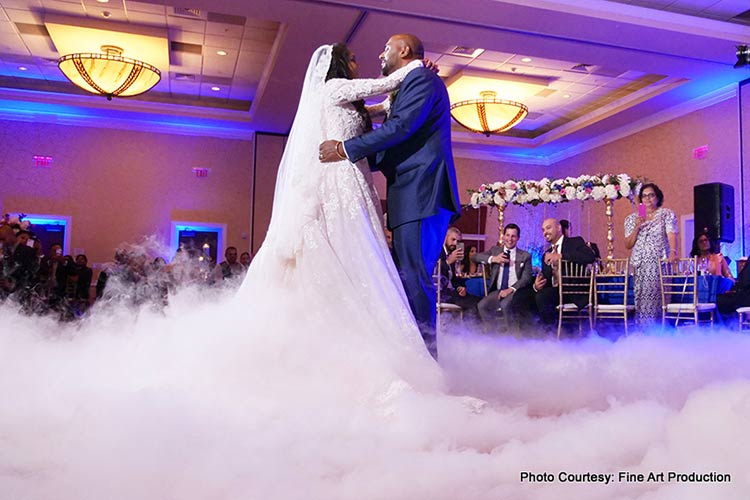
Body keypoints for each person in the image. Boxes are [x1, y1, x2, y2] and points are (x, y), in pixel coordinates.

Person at [236, 43, 441, 388]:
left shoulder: (347, 98)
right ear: (339, 65)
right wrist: (417, 68)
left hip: (355, 175)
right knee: (352, 246)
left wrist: (404, 88)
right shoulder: (333, 88)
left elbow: (377, 107)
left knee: (364, 249)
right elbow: (381, 86)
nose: (363, 61)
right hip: (339, 176)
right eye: (354, 58)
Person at [319, 34, 460, 358]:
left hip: (422, 190)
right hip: (410, 192)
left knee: (414, 276)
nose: (380, 54)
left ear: (404, 51)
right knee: (405, 277)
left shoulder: (421, 79)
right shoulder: (411, 82)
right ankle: (412, 354)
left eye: (386, 48)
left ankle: (427, 359)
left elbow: (400, 129)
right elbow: (397, 124)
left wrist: (346, 149)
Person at [624, 183, 678, 326]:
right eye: (644, 196)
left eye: (651, 195)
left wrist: (673, 251)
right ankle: (642, 332)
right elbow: (628, 244)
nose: (647, 199)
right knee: (640, 300)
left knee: (655, 300)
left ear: (657, 197)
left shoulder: (666, 214)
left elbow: (671, 234)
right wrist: (637, 226)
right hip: (639, 265)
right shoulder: (632, 219)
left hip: (658, 263)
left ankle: (654, 332)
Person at [533, 218, 596, 327]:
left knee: (542, 297)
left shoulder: (575, 242)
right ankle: (528, 334)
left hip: (573, 291)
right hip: (555, 291)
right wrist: (537, 285)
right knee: (525, 296)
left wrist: (561, 256)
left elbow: (590, 256)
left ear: (558, 228)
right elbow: (547, 279)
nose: (545, 232)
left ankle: (550, 333)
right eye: (543, 230)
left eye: (548, 228)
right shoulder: (546, 254)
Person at [472, 223, 533, 328]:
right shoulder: (495, 250)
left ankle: (511, 338)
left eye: (513, 236)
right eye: (508, 235)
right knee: (482, 306)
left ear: (518, 238)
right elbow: (475, 257)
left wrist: (510, 289)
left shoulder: (525, 255)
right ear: (503, 236)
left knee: (506, 305)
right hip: (498, 291)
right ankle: (494, 336)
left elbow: (526, 278)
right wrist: (493, 259)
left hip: (515, 290)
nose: (510, 239)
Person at [435, 227, 480, 314]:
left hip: (453, 292)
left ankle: (470, 326)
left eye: (458, 241)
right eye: (453, 239)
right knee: (473, 305)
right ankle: (470, 326)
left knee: (480, 302)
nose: (455, 243)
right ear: (445, 237)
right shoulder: (437, 252)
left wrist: (460, 287)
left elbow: (453, 279)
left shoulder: (452, 253)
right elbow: (434, 272)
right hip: (441, 294)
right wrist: (448, 262)